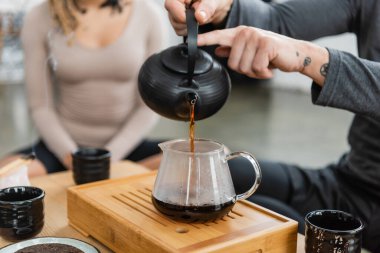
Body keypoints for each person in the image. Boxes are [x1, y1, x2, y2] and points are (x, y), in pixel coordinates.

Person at [165, 0, 380, 251]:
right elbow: (278, 22)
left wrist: (307, 58)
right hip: (349, 182)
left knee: (268, 230)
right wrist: (221, 8)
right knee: (197, 177)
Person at [0, 0, 167, 176]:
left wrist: (107, 159)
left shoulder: (149, 14)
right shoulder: (39, 16)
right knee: (4, 176)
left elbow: (147, 107)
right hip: (61, 151)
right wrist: (73, 158)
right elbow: (40, 106)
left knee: (192, 162)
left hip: (128, 148)